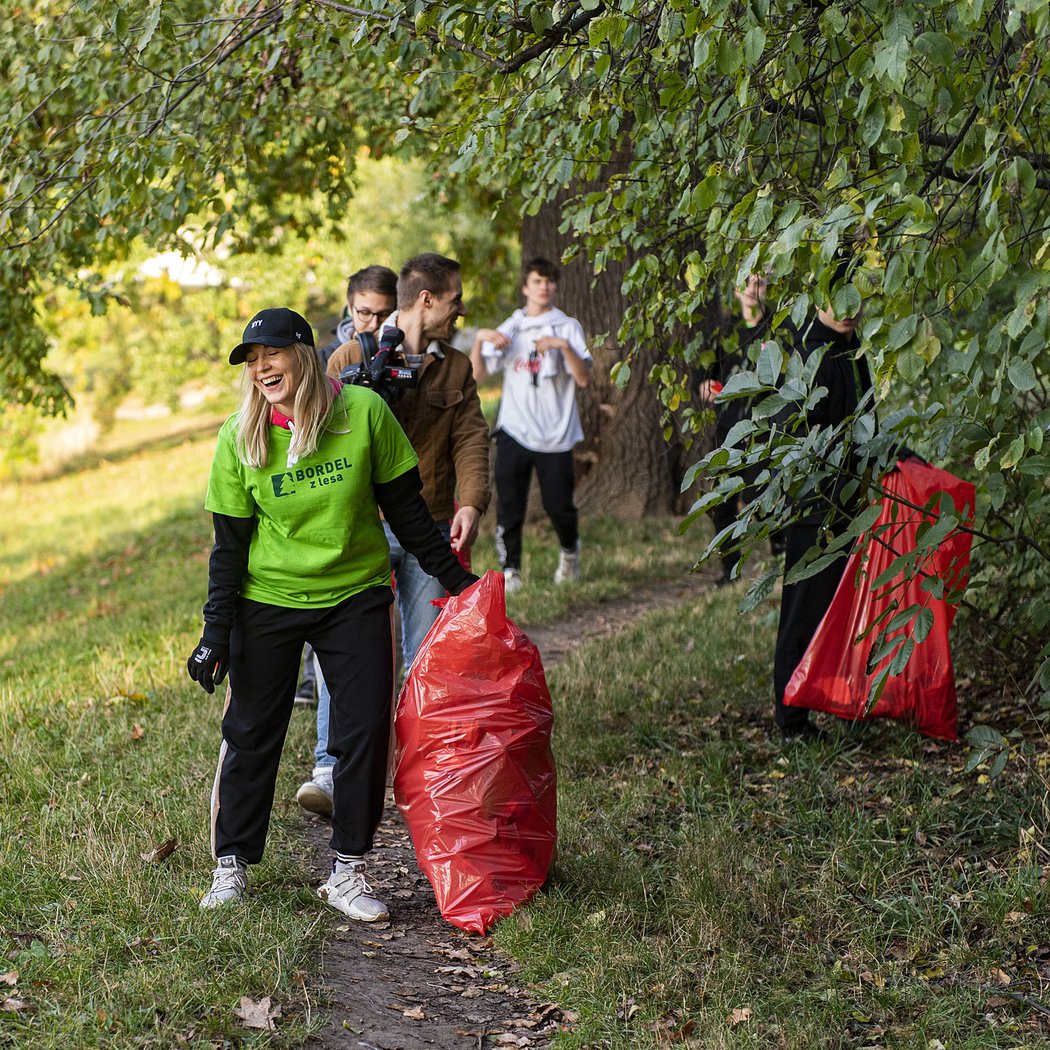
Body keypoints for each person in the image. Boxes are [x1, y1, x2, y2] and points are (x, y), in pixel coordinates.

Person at [186, 306, 477, 920]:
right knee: (251, 732)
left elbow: (409, 516)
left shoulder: (364, 414)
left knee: (363, 730)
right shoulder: (240, 436)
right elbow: (229, 548)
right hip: (269, 599)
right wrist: (215, 633)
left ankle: (347, 870)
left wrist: (461, 584)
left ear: (304, 354)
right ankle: (231, 865)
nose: (262, 369)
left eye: (272, 354)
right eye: (251, 361)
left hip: (354, 595)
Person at [296, 253, 490, 816]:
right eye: (455, 300)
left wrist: (472, 503)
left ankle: (419, 772)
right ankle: (331, 771)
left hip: (428, 526)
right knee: (347, 655)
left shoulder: (454, 367)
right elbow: (317, 439)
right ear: (427, 300)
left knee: (425, 656)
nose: (461, 311)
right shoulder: (351, 358)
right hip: (361, 530)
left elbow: (471, 438)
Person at [773, 292, 872, 742]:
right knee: (805, 609)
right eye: (838, 299)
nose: (849, 308)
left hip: (851, 501)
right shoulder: (809, 355)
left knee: (847, 607)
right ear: (816, 302)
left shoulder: (853, 350)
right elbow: (796, 435)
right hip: (816, 508)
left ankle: (843, 701)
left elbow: (865, 421)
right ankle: (791, 719)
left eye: (857, 297)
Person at [469, 257, 592, 593]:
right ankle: (511, 570)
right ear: (526, 287)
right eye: (538, 281)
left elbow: (583, 378)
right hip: (514, 428)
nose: (544, 287)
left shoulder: (567, 326)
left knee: (558, 506)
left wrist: (563, 347)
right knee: (509, 503)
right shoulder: (514, 326)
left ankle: (570, 553)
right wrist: (480, 340)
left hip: (556, 432)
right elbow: (477, 375)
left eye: (550, 281)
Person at [695, 274, 787, 584]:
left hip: (768, 432)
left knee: (769, 499)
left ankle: (783, 565)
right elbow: (703, 373)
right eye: (745, 283)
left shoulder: (778, 329)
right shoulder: (724, 332)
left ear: (768, 288)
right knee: (722, 502)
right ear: (734, 288)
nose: (751, 290)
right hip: (729, 431)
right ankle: (728, 572)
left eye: (759, 283)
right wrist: (704, 385)